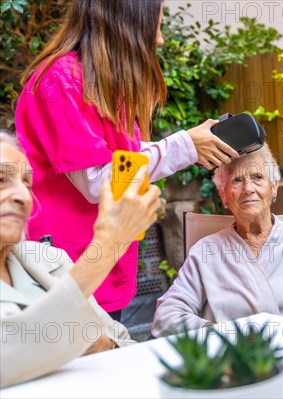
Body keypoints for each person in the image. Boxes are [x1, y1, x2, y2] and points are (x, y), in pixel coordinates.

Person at [14, 0, 238, 319]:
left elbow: (121, 159)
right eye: (156, 26)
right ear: (126, 23)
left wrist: (188, 144)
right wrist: (184, 146)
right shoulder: (60, 79)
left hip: (98, 267)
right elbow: (97, 181)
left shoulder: (101, 83)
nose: (159, 39)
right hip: (65, 274)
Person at [0, 133, 161, 388]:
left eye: (27, 183)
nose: (23, 196)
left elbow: (119, 339)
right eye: (1, 180)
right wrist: (109, 244)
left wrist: (102, 344)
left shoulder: (48, 258)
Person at [151, 144, 283, 337]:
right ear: (223, 195)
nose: (248, 188)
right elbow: (167, 316)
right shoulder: (205, 252)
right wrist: (218, 336)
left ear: (274, 187)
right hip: (235, 365)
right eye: (236, 180)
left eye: (258, 177)